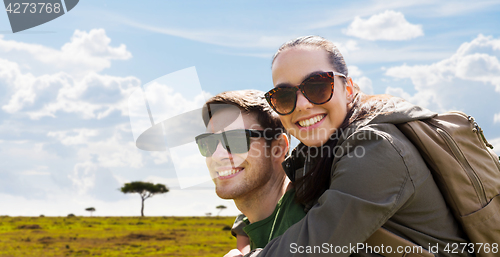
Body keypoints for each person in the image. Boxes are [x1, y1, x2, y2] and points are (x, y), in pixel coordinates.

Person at [235, 36, 472, 257]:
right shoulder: (319, 151)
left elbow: (315, 245)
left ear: (347, 90)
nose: (302, 104)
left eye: (318, 86)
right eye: (284, 96)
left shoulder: (377, 146)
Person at [195, 90, 307, 255]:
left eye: (236, 140)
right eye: (208, 143)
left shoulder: (306, 223)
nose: (217, 156)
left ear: (277, 149)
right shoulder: (255, 220)